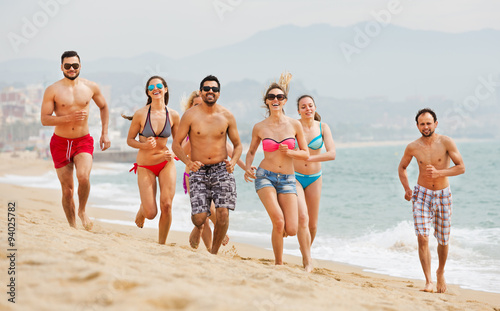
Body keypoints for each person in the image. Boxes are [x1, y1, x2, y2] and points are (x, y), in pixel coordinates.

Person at [244, 73, 310, 270]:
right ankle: (278, 264)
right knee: (278, 221)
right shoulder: (260, 127)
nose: (275, 100)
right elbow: (251, 152)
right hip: (266, 176)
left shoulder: (294, 124)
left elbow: (305, 153)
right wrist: (248, 168)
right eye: (271, 97)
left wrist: (290, 151)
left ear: (284, 101)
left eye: (279, 97)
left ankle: (295, 256)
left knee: (291, 228)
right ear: (266, 101)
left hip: (288, 179)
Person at [172, 75, 243, 255]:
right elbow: (176, 145)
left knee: (223, 214)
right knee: (199, 218)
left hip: (221, 168)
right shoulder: (190, 116)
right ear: (201, 91)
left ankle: (214, 252)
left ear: (219, 93)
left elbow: (237, 145)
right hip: (199, 169)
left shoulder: (227, 116)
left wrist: (233, 162)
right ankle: (198, 227)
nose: (210, 91)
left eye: (214, 89)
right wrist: (188, 162)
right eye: (207, 88)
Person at [41, 50, 110, 230]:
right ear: (62, 67)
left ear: (80, 66)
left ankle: (82, 211)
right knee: (67, 190)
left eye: (75, 65)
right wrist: (67, 118)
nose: (72, 69)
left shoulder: (90, 87)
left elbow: (103, 107)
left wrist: (104, 133)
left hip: (83, 141)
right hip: (60, 143)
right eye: (68, 66)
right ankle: (73, 227)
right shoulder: (53, 90)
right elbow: (45, 119)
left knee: (83, 177)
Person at [398, 108, 465, 293]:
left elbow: (461, 167)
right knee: (422, 237)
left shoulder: (446, 142)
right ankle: (428, 281)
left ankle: (440, 272)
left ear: (436, 123)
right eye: (422, 124)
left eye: (429, 123)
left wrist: (440, 172)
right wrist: (407, 189)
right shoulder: (413, 147)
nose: (426, 127)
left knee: (443, 239)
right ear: (417, 126)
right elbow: (402, 167)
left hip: (443, 194)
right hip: (422, 194)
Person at [124, 75, 180, 244]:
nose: (155, 89)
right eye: (151, 87)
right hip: (146, 165)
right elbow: (130, 140)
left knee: (167, 205)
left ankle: (161, 243)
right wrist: (145, 146)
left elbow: (178, 144)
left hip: (165, 163)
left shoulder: (174, 115)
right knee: (151, 213)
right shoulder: (141, 114)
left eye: (158, 86)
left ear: (165, 89)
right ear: (148, 92)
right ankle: (143, 209)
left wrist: (176, 155)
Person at [293, 95, 336, 271]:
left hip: (315, 178)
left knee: (313, 225)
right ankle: (307, 261)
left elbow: (331, 153)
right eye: (303, 107)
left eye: (310, 105)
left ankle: (306, 252)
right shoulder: (293, 126)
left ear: (315, 108)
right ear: (298, 111)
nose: (307, 109)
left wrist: (309, 157)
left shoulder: (323, 127)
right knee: (302, 217)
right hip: (294, 176)